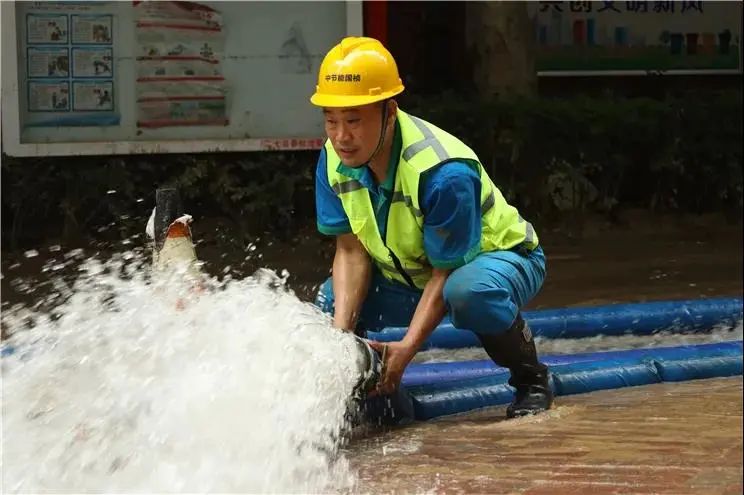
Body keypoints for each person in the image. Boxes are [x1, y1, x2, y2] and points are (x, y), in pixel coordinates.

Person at [310, 37, 553, 418]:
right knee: (327, 307)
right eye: (331, 119)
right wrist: (340, 340)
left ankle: (532, 379)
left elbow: (447, 270)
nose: (341, 136)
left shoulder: (442, 172)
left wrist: (407, 347)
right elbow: (350, 251)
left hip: (496, 261)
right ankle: (372, 398)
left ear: (389, 111)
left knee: (468, 293)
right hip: (411, 275)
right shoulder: (332, 158)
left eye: (354, 120)